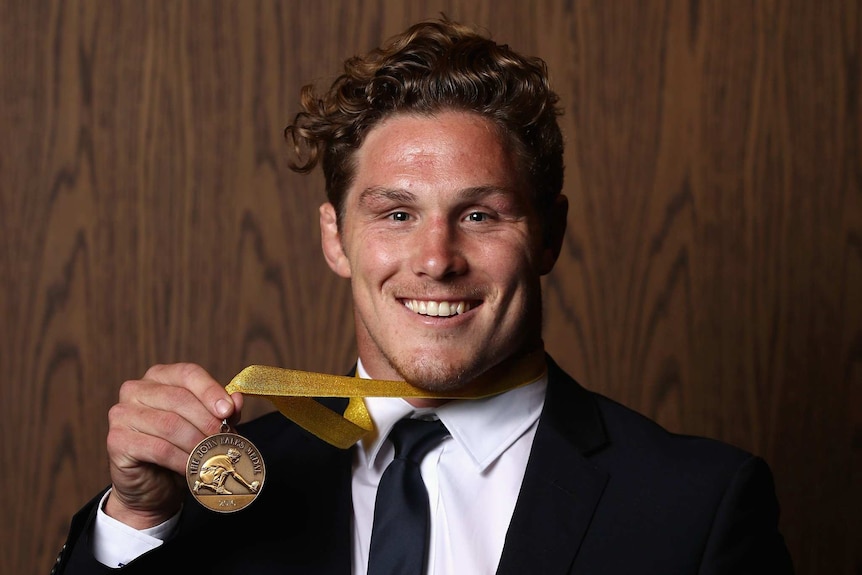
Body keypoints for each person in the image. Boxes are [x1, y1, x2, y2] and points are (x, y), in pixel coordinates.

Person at [53, 15, 794, 574]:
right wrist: (138, 519)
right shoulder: (215, 484)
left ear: (548, 234)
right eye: (397, 214)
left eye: (479, 214)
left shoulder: (696, 505)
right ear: (335, 237)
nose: (436, 260)